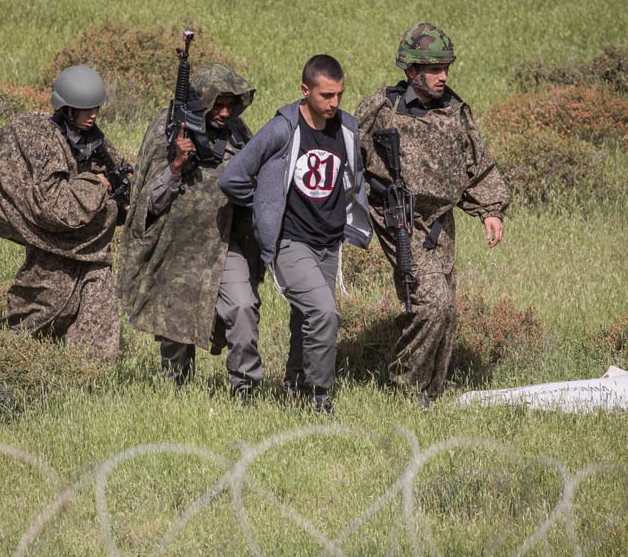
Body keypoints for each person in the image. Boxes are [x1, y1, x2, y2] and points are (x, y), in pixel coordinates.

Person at [354, 22, 510, 406]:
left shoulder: (456, 110)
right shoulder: (381, 109)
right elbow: (344, 154)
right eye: (435, 69)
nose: (443, 77)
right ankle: (404, 391)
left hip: (440, 220)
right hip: (398, 217)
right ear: (411, 71)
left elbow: (479, 162)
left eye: (446, 68)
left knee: (447, 310)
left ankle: (430, 393)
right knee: (430, 302)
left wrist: (490, 210)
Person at [219, 54, 372, 414]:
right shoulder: (281, 129)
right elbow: (233, 177)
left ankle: (297, 387)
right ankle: (321, 397)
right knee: (324, 313)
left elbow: (355, 178)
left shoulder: (347, 128)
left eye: (339, 95)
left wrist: (352, 222)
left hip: (329, 243)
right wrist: (263, 208)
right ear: (305, 91)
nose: (334, 103)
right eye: (326, 96)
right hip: (291, 243)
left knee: (306, 318)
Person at [118, 62, 263, 399]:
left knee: (242, 308)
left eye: (231, 104)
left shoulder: (240, 133)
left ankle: (245, 392)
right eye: (218, 104)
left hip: (225, 244)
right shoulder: (166, 131)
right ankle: (176, 393)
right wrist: (176, 167)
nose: (225, 112)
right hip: (177, 245)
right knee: (174, 328)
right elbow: (149, 204)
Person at [0, 65, 130, 363]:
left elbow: (120, 174)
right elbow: (57, 208)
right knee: (37, 315)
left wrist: (123, 196)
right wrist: (97, 186)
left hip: (92, 252)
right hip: (55, 248)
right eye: (85, 109)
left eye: (96, 108)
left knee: (100, 317)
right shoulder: (44, 140)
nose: (93, 115)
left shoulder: (94, 140)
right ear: (66, 109)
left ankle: (88, 385)